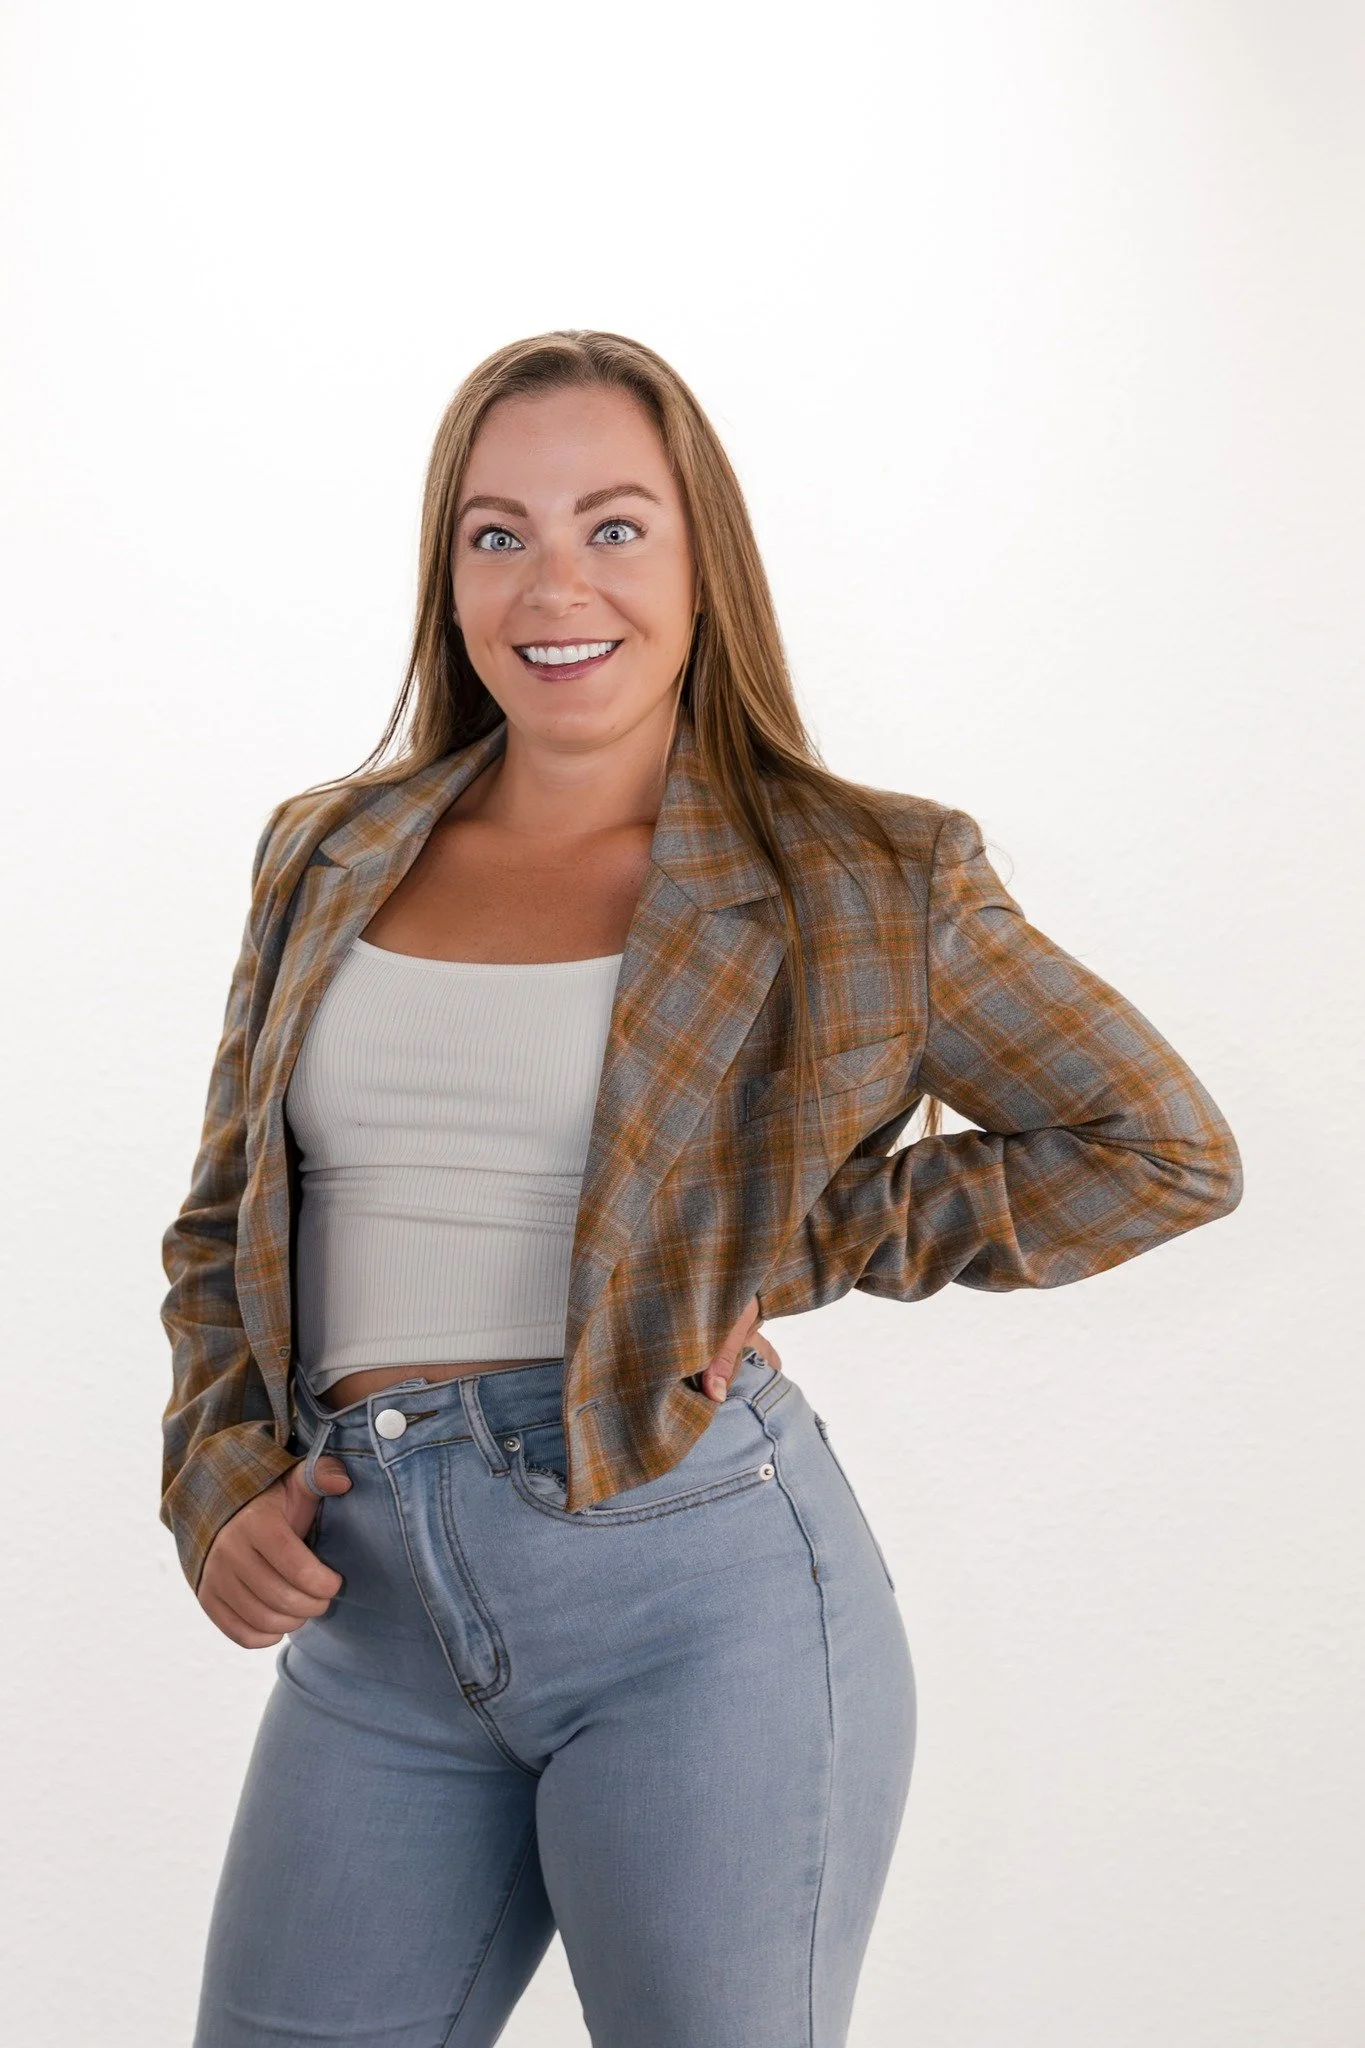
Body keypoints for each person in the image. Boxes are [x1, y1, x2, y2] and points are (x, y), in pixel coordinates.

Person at [160, 329, 1242, 2048]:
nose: (553, 584)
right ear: (446, 574)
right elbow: (227, 1221)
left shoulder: (862, 874)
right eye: (497, 533)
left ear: (700, 559)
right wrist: (215, 1478)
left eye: (615, 525)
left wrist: (792, 1249)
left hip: (694, 1597)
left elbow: (1159, 1145)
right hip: (368, 1605)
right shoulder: (330, 848)